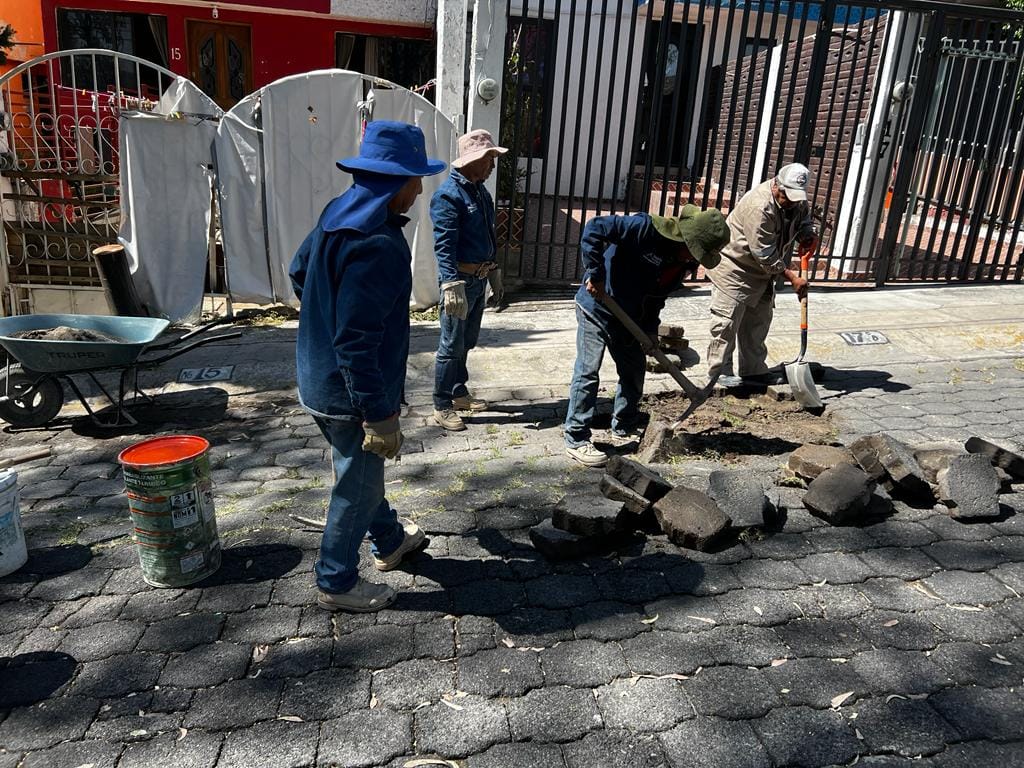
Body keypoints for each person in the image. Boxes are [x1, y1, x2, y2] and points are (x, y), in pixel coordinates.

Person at [289, 121, 446, 613]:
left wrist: (322, 309)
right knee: (356, 484)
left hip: (316, 379)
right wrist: (378, 412)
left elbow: (299, 272)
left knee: (361, 473)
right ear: (396, 182)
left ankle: (392, 541)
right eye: (415, 179)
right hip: (349, 393)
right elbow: (357, 340)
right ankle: (335, 581)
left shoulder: (337, 212)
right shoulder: (379, 243)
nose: (419, 190)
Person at [564, 205, 731, 467]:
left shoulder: (680, 264)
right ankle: (576, 438)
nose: (695, 259)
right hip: (597, 305)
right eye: (695, 251)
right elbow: (594, 228)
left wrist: (650, 330)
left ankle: (624, 424)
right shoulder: (645, 228)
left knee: (633, 369)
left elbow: (655, 299)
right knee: (588, 370)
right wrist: (596, 274)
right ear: (686, 238)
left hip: (627, 318)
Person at [705, 163, 819, 388]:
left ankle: (754, 371)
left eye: (797, 197)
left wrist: (808, 234)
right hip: (734, 268)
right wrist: (792, 277)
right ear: (777, 185)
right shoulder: (759, 205)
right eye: (788, 195)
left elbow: (805, 220)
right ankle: (719, 373)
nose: (792, 201)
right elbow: (764, 253)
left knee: (758, 322)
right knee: (726, 324)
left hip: (762, 274)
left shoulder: (797, 201)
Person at [430, 129, 509, 431]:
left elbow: (489, 238)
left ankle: (458, 392)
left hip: (478, 280)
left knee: (467, 341)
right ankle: (441, 403)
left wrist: (494, 272)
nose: (491, 165)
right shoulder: (448, 196)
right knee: (450, 344)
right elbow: (444, 246)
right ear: (472, 160)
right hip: (460, 282)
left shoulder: (480, 192)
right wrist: (451, 284)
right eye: (488, 159)